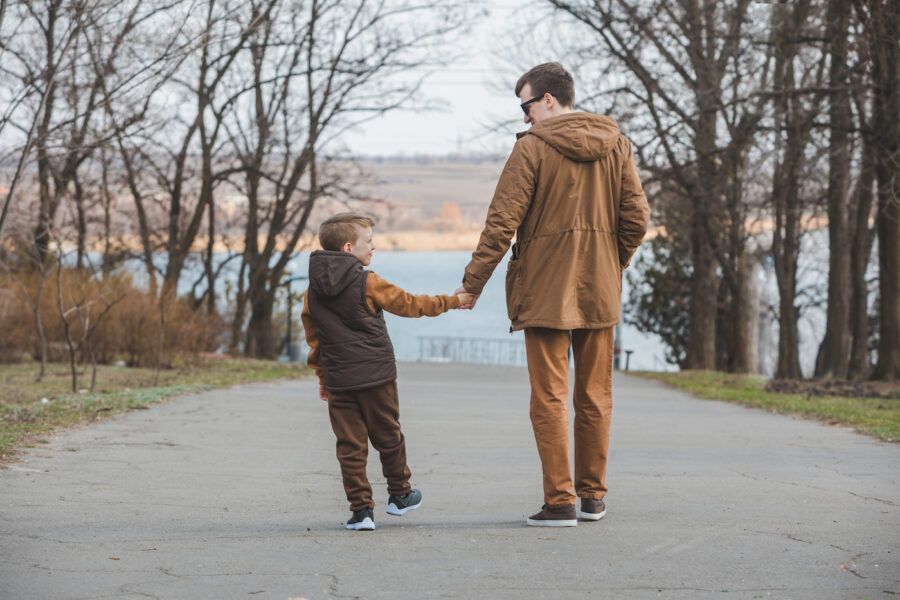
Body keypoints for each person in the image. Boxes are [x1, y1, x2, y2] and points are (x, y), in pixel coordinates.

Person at [457, 62, 650, 527]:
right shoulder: (617, 145)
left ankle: (559, 501)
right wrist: (610, 264)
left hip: (544, 290)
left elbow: (501, 223)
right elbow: (637, 220)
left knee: (549, 397)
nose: (523, 117)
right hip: (598, 290)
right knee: (596, 396)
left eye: (526, 105)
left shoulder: (531, 151)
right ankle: (592, 499)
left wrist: (472, 284)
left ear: (547, 100)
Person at [302, 212, 473, 531]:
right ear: (349, 247)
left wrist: (323, 377)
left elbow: (315, 339)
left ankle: (361, 511)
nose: (374, 247)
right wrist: (453, 300)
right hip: (376, 377)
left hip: (340, 379)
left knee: (349, 445)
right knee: (388, 436)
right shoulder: (368, 281)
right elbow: (410, 304)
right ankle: (400, 494)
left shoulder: (312, 292)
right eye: (369, 241)